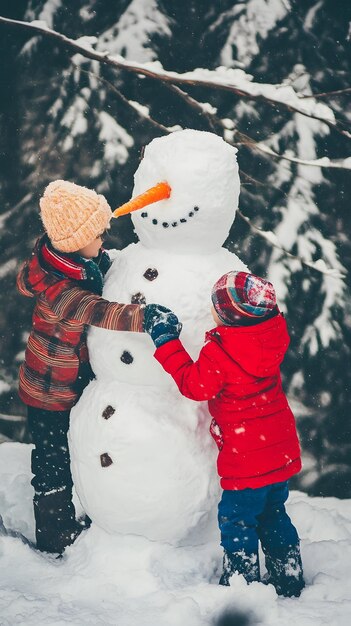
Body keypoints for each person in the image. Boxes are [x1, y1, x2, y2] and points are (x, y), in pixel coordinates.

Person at [16, 179, 161, 555]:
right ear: (74, 240)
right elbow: (97, 310)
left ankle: (77, 514)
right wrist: (145, 317)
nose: (104, 238)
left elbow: (102, 266)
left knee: (73, 448)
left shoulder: (78, 262)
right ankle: (53, 531)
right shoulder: (58, 288)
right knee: (52, 461)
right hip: (48, 391)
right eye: (98, 234)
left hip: (69, 380)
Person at [144, 271, 305, 597]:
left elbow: (194, 384)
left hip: (248, 457)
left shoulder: (223, 350)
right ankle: (288, 574)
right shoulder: (269, 335)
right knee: (273, 512)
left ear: (229, 317)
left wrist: (166, 341)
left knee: (238, 520)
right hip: (278, 447)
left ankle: (241, 582)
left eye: (216, 307)